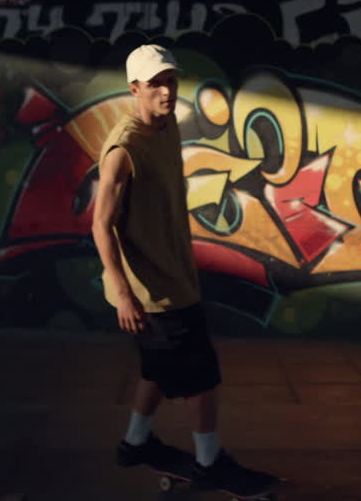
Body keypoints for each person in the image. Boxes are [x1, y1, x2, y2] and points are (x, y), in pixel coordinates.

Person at [91, 43, 276, 494]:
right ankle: (209, 463)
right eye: (155, 84)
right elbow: (100, 225)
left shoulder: (168, 125)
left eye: (170, 81)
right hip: (152, 291)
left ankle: (135, 443)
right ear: (135, 89)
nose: (166, 92)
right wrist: (124, 293)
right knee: (202, 376)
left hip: (173, 277)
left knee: (157, 368)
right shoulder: (124, 147)